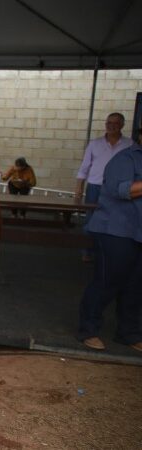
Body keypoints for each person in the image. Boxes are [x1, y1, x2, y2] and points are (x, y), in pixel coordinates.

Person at [77, 128, 142, 352]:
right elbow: (122, 190)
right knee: (107, 281)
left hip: (138, 233)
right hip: (115, 231)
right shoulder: (125, 159)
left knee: (135, 285)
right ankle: (88, 330)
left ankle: (128, 333)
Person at [75, 112, 134, 262]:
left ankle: (107, 253)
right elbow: (84, 167)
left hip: (118, 189)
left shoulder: (130, 145)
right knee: (91, 220)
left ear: (122, 125)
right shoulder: (94, 144)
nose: (111, 126)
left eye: (115, 123)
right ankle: (87, 251)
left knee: (116, 221)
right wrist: (79, 187)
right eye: (109, 123)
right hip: (95, 187)